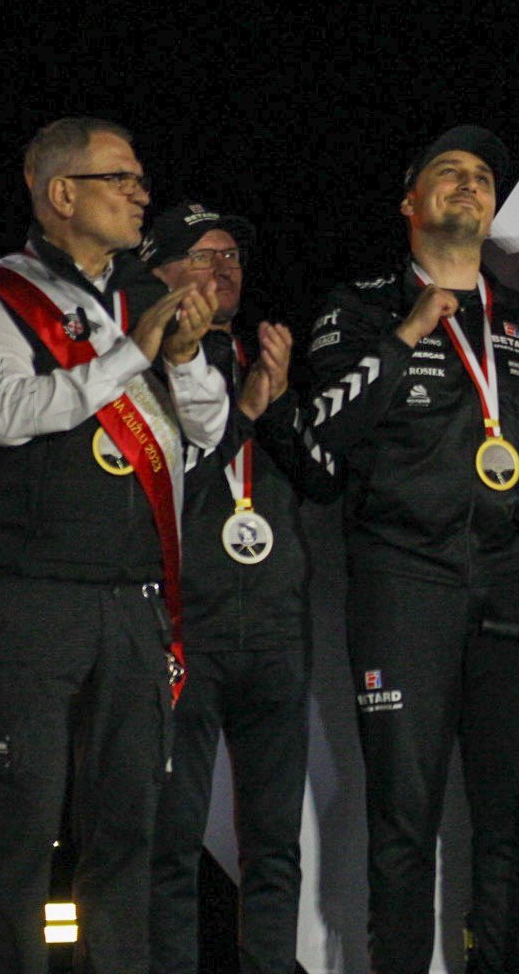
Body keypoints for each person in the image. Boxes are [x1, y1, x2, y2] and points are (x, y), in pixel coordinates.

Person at [0, 117, 228, 972]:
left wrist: (185, 359)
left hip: (135, 599)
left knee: (127, 834)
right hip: (31, 597)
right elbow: (10, 414)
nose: (141, 193)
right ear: (62, 193)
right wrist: (128, 357)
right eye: (122, 178)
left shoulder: (149, 293)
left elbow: (207, 433)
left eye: (141, 178)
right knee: (21, 831)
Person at [305, 126, 519, 973]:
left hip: (511, 582)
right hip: (403, 577)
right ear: (409, 202)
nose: (469, 183)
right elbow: (322, 435)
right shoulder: (359, 307)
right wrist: (407, 334)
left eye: (483, 175)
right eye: (448, 172)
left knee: (510, 817)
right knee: (402, 818)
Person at [142, 204, 340, 974]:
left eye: (232, 256)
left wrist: (278, 402)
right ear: (158, 269)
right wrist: (246, 411)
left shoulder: (266, 356)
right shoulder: (140, 367)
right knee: (171, 841)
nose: (223, 267)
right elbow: (163, 495)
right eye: (203, 255)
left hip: (276, 636)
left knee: (274, 847)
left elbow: (323, 480)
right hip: (183, 633)